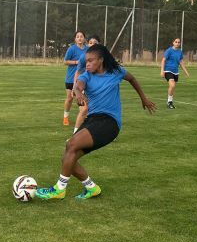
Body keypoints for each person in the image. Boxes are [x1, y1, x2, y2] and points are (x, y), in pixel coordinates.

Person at [36, 44, 156, 200]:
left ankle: (59, 189)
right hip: (93, 120)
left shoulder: (115, 72)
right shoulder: (86, 75)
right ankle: (92, 188)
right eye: (86, 61)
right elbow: (78, 86)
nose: (87, 64)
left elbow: (132, 78)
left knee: (71, 145)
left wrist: (144, 98)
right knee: (68, 156)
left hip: (110, 122)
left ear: (101, 60)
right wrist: (78, 93)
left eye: (91, 61)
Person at [71, 34, 101, 133]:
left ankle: (105, 132)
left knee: (98, 110)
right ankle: (75, 133)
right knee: (84, 110)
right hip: (83, 85)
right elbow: (78, 72)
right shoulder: (84, 57)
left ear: (99, 44)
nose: (92, 45)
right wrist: (74, 88)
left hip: (96, 88)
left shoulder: (103, 58)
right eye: (90, 43)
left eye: (95, 43)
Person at [62, 31, 87, 126]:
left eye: (81, 36)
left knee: (82, 99)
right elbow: (65, 61)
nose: (79, 38)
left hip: (83, 79)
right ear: (75, 39)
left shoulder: (87, 50)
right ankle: (65, 117)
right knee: (69, 98)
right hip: (70, 78)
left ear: (84, 38)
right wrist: (76, 62)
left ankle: (83, 117)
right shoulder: (72, 49)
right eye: (77, 37)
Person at [160, 37, 190, 108]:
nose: (177, 43)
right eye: (176, 42)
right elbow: (163, 60)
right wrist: (162, 71)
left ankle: (169, 101)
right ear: (173, 43)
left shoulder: (180, 52)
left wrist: (186, 72)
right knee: (172, 85)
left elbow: (181, 62)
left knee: (172, 87)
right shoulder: (169, 50)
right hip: (168, 70)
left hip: (175, 72)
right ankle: (169, 101)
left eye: (178, 42)